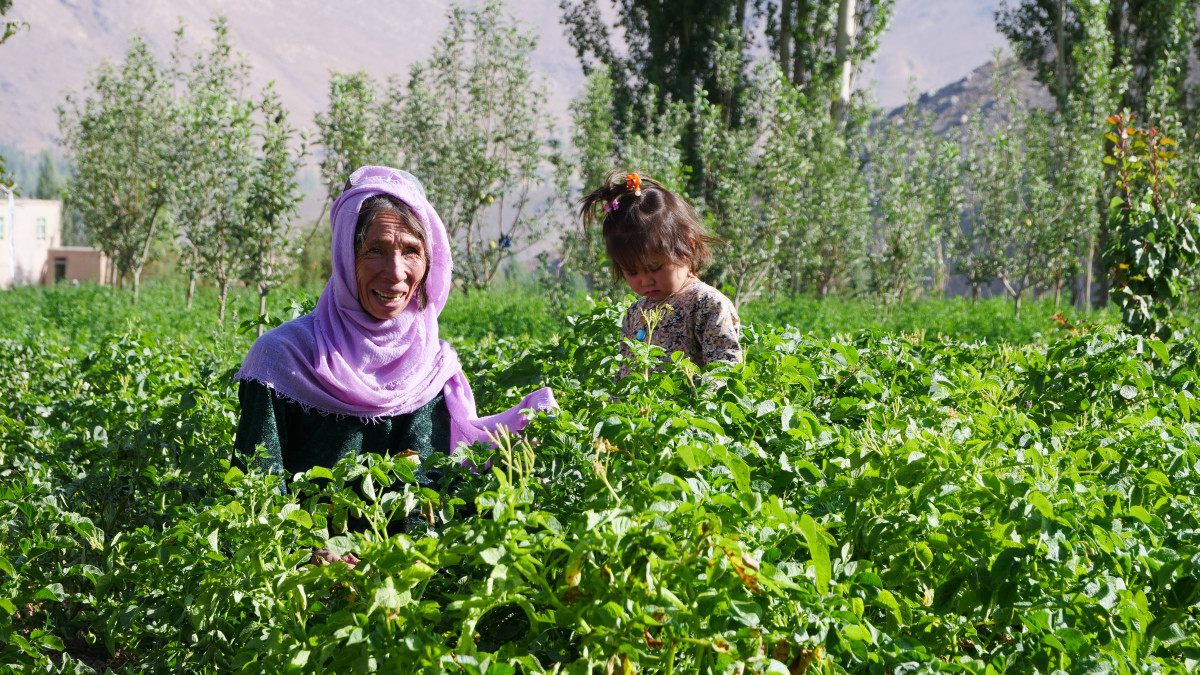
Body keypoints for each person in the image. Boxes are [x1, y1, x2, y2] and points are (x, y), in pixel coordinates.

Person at [234, 166, 556, 557]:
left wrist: (528, 434)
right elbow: (254, 493)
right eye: (376, 250)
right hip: (307, 585)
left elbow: (434, 494)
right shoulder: (282, 358)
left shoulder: (433, 368)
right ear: (345, 254)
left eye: (411, 251)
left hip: (407, 579)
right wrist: (310, 554)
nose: (396, 272)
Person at [579, 171, 742, 380]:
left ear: (688, 247)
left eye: (655, 267)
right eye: (632, 272)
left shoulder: (706, 304)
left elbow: (725, 371)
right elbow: (625, 376)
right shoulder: (636, 312)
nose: (645, 280)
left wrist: (702, 398)